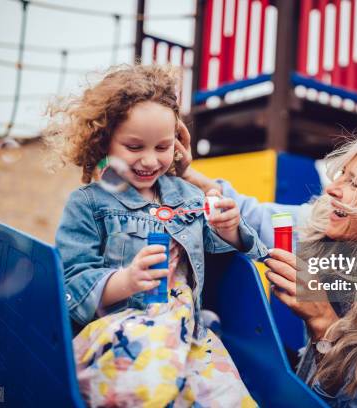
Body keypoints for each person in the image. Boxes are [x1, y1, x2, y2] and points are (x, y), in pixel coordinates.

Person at [181, 122, 357, 407]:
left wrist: (323, 320)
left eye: (354, 183)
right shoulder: (328, 227)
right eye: (343, 175)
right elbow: (252, 216)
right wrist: (185, 172)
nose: (333, 188)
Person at [45, 64, 266, 407]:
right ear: (104, 140)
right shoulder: (88, 203)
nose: (150, 160)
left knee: (228, 398)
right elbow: (70, 284)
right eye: (134, 147)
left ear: (177, 144)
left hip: (188, 331)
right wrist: (126, 280)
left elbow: (237, 250)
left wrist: (230, 229)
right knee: (150, 389)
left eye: (162, 147)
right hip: (121, 329)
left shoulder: (187, 196)